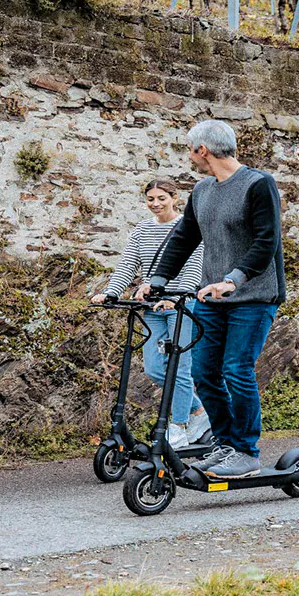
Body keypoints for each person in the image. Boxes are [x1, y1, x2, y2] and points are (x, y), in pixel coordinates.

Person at [138, 121, 285, 478]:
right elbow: (183, 238)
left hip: (253, 296)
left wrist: (233, 280)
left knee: (236, 369)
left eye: (190, 149)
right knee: (204, 372)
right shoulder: (202, 190)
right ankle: (225, 445)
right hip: (211, 299)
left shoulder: (258, 184)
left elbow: (266, 241)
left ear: (202, 150)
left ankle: (246, 452)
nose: (189, 156)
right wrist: (156, 280)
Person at [92, 180, 210, 449]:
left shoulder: (188, 227)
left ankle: (178, 426)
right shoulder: (143, 229)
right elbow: (128, 263)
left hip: (180, 306)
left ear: (174, 197)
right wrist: (111, 292)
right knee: (156, 369)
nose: (155, 204)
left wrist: (175, 296)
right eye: (150, 199)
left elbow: (194, 267)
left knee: (179, 368)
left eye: (161, 198)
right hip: (151, 306)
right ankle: (199, 412)